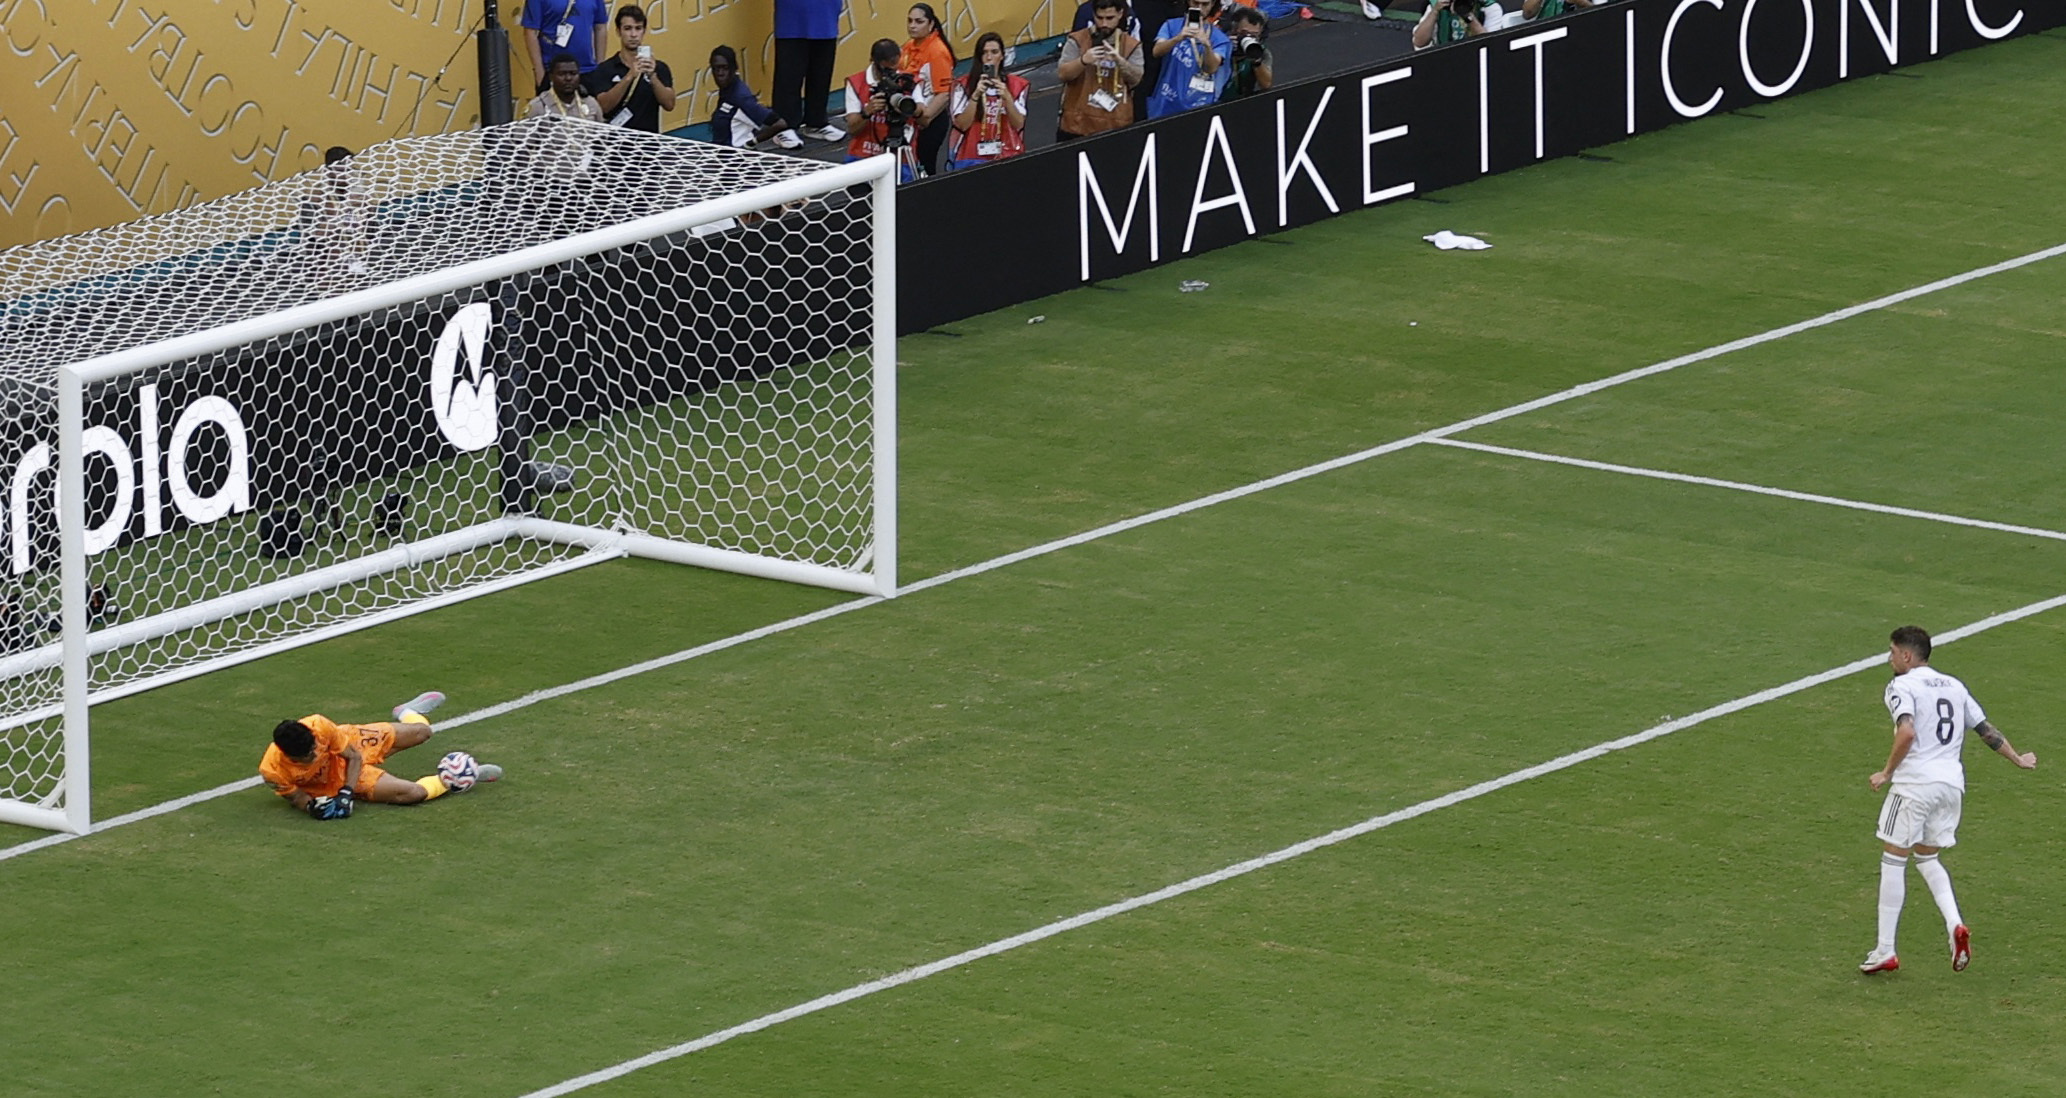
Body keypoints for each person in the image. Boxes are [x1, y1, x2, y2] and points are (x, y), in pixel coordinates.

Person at [1859, 625, 2038, 974]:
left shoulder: (1902, 685)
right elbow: (1986, 730)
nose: (1890, 658)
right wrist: (2017, 759)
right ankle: (1955, 924)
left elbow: (1907, 730)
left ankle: (1885, 950)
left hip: (1915, 786)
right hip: (1951, 787)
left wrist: (1887, 772)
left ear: (1907, 655)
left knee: (1892, 858)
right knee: (1927, 859)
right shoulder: (1955, 686)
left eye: (1893, 652)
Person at [258, 692, 503, 818]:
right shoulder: (272, 770)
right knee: (414, 793)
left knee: (423, 732)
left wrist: (346, 794)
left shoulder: (319, 726)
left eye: (314, 747)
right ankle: (457, 778)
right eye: (307, 756)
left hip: (350, 748)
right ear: (287, 754)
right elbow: (296, 798)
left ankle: (407, 711)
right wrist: (314, 810)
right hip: (330, 781)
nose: (314, 754)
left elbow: (353, 757)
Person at [1056, 0, 1145, 142]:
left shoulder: (1131, 45)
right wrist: (1083, 60)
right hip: (1077, 123)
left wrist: (1120, 61)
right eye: (1099, 18)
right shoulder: (1077, 40)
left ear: (1120, 14)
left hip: (1115, 123)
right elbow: (1063, 74)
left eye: (1110, 18)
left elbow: (1136, 79)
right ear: (1093, 15)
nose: (1104, 24)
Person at [845, 38, 931, 180]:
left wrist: (913, 109)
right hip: (863, 156)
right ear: (874, 61)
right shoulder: (857, 83)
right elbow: (852, 128)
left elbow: (925, 120)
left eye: (895, 65)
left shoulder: (908, 82)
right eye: (887, 68)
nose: (892, 71)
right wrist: (867, 112)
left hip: (901, 157)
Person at [584, 4, 677, 132]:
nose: (633, 35)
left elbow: (669, 104)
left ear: (644, 31)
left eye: (638, 28)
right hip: (614, 143)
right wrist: (629, 76)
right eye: (627, 28)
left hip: (648, 144)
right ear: (618, 31)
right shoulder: (605, 69)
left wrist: (653, 77)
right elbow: (603, 107)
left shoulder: (659, 68)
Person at [946, 32, 1030, 171]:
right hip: (970, 157)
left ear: (1002, 56)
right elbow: (961, 124)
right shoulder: (963, 85)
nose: (989, 57)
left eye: (994, 52)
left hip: (1007, 154)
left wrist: (1007, 97)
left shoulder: (1016, 85)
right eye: (984, 53)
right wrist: (975, 95)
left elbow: (1019, 123)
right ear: (979, 57)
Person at [774, 0, 849, 143]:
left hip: (826, 11)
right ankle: (783, 128)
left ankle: (816, 122)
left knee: (821, 73)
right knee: (789, 75)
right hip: (793, 13)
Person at [1146, 0, 1230, 120]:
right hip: (1166, 100)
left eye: (1205, 4)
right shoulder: (1172, 25)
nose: (1200, 9)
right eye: (1196, 3)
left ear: (1212, 4)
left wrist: (1206, 45)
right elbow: (1156, 51)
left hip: (1199, 103)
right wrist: (1178, 38)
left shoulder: (1220, 38)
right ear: (1189, 2)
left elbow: (1211, 68)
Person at [900, 4, 958, 176]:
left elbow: (944, 94)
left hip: (931, 121)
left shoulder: (937, 51)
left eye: (919, 21)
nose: (912, 25)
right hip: (912, 119)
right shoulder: (908, 47)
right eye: (910, 21)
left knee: (925, 166)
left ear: (931, 24)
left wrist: (925, 119)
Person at [710, 45, 803, 149]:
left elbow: (779, 124)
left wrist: (751, 143)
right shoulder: (727, 90)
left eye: (725, 68)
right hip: (720, 152)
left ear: (734, 68)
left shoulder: (741, 97)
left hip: (736, 157)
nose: (720, 74)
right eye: (716, 69)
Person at [522, 0, 612, 94]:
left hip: (587, 71)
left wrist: (600, 68)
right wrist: (540, 74)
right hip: (552, 71)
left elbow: (600, 27)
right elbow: (531, 32)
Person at [529, 54, 606, 122]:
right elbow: (522, 137)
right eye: (562, 74)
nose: (568, 78)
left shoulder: (590, 103)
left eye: (573, 74)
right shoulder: (538, 106)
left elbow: (602, 135)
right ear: (551, 77)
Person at [1218, 5, 1272, 101]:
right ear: (1233, 30)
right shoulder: (1219, 46)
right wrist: (1225, 51)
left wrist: (1257, 60)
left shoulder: (1261, 52)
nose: (1248, 38)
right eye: (1244, 34)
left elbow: (1266, 85)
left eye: (1254, 35)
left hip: (1244, 101)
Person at [1413, 0, 1488, 48]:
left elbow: (1489, 43)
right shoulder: (1436, 6)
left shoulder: (1487, 6)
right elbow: (1419, 42)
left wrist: (1467, 15)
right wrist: (1435, 11)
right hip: (1445, 58)